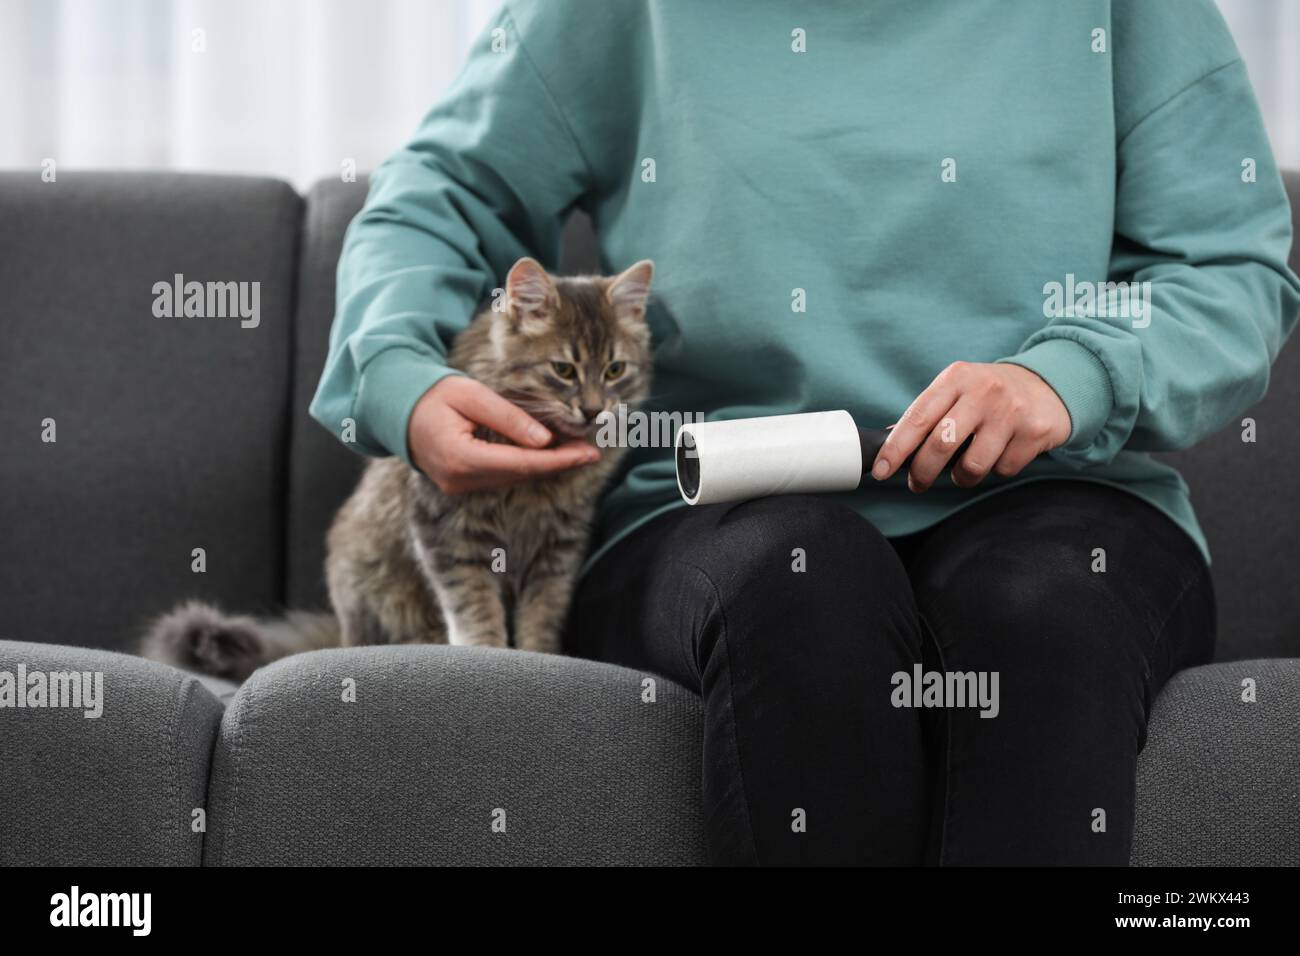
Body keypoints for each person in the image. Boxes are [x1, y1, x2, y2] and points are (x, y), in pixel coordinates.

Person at [311, 0, 1299, 864]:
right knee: (797, 586)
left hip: (1055, 491)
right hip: (715, 505)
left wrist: (1071, 374)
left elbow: (1228, 268)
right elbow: (437, 195)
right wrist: (400, 377)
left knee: (1044, 609)